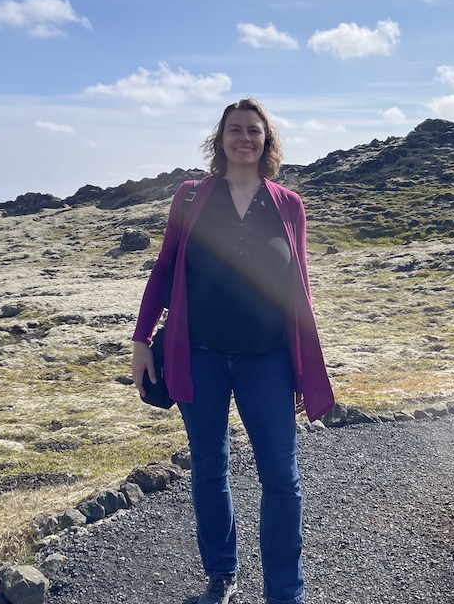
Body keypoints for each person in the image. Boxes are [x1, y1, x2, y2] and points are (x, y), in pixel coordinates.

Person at [132, 98, 335, 604]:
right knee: (208, 468)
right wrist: (141, 340)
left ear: (267, 140)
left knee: (281, 479)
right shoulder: (191, 196)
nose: (244, 138)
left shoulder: (288, 204)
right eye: (235, 130)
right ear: (220, 138)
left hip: (267, 360)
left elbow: (300, 286)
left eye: (254, 131)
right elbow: (164, 268)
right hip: (199, 355)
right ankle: (222, 576)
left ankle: (285, 594)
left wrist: (304, 363)